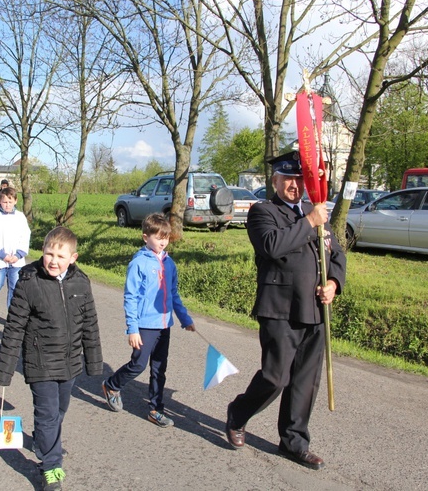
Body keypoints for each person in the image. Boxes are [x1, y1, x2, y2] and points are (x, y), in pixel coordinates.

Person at [224, 152, 346, 471]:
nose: (295, 185)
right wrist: (309, 223)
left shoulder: (315, 211)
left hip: (316, 309)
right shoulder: (263, 212)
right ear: (275, 181)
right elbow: (272, 246)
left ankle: (294, 441)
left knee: (305, 381)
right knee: (275, 378)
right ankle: (238, 413)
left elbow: (336, 253)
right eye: (288, 179)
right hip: (279, 310)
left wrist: (333, 282)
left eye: (300, 179)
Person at [0, 226, 102, 491]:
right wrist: (5, 371)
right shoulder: (29, 282)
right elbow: (14, 327)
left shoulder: (81, 282)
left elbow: (90, 324)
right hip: (39, 362)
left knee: (59, 410)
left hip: (70, 364)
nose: (53, 260)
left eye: (60, 256)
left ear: (73, 258)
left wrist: (94, 362)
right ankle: (51, 468)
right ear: (42, 252)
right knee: (48, 415)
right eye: (49, 253)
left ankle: (43, 441)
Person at [101, 213, 195, 428]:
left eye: (166, 237)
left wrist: (184, 318)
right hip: (145, 325)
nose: (163, 241)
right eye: (158, 237)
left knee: (159, 369)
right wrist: (132, 328)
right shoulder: (138, 263)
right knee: (139, 365)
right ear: (145, 237)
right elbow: (130, 297)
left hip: (164, 325)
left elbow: (173, 294)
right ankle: (112, 385)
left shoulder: (170, 263)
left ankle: (156, 409)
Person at [0, 187, 30, 323]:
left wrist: (18, 254)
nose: (7, 205)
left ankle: (12, 313)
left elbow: (25, 236)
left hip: (16, 261)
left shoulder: (20, 217)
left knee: (15, 288)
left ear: (15, 201)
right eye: (4, 202)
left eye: (10, 201)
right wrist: (2, 255)